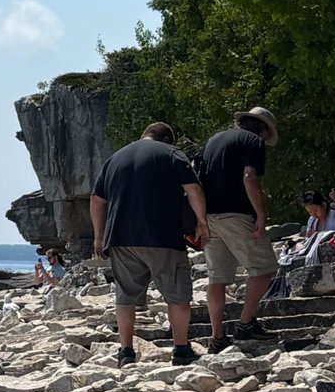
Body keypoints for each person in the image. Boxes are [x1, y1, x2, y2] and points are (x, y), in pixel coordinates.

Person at [90, 121, 210, 367]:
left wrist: (99, 236)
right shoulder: (172, 154)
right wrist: (202, 222)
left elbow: (97, 199)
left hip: (121, 237)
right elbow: (193, 189)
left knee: (126, 295)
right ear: (167, 140)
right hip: (162, 236)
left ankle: (126, 351)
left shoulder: (114, 159)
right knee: (177, 295)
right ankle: (181, 349)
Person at [199, 107, 280, 353]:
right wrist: (261, 213)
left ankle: (217, 338)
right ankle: (245, 324)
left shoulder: (213, 140)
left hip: (209, 216)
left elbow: (198, 178)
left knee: (217, 277)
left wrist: (198, 219)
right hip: (237, 213)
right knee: (264, 268)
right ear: (263, 128)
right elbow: (249, 176)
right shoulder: (252, 141)